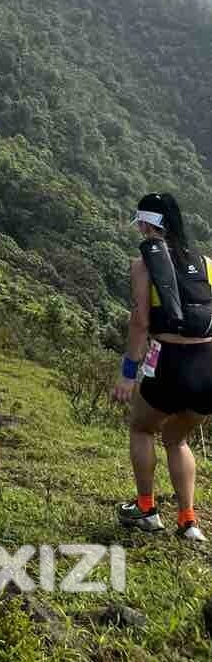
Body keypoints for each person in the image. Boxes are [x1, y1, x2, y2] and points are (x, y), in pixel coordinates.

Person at [114, 192, 212, 542]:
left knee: (141, 428)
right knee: (177, 438)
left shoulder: (143, 264)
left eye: (140, 224)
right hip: (207, 367)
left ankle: (146, 509)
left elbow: (140, 321)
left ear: (147, 225)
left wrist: (128, 373)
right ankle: (188, 521)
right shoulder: (206, 262)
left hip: (170, 360)